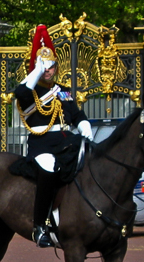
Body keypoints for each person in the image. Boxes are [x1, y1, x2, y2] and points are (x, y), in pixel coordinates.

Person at [13, 25, 92, 248]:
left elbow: (75, 113)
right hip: (42, 143)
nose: (49, 71)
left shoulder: (63, 90)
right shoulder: (30, 92)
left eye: (51, 66)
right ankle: (40, 225)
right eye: (44, 67)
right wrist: (36, 71)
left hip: (65, 141)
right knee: (48, 168)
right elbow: (19, 93)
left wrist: (83, 122)